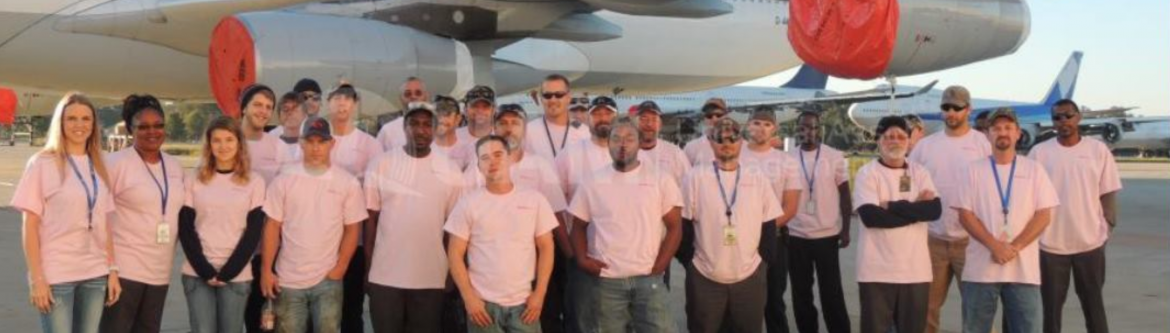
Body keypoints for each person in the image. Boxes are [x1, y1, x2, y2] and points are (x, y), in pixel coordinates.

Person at [12, 93, 121, 333]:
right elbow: (29, 225)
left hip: (95, 273)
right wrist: (37, 279)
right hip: (57, 275)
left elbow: (105, 223)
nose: (79, 125)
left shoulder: (100, 165)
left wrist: (112, 270)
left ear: (94, 124)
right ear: (60, 123)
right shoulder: (42, 163)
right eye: (71, 118)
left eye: (85, 119)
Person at [568, 117, 683, 333]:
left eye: (629, 138)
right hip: (607, 282)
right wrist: (583, 259)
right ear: (608, 143)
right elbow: (578, 226)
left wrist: (660, 264)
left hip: (649, 279)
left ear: (639, 143)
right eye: (616, 138)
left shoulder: (661, 180)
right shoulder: (593, 181)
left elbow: (675, 227)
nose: (622, 144)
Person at [465, 103, 573, 332]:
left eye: (515, 123)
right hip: (488, 266)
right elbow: (462, 215)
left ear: (525, 128)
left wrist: (570, 256)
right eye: (503, 122)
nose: (508, 128)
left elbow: (555, 212)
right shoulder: (478, 167)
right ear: (494, 127)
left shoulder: (540, 165)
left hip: (532, 263)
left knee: (545, 316)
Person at [954, 108, 1059, 333]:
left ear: (1018, 133)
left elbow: (1043, 215)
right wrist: (994, 246)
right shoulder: (972, 170)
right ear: (987, 134)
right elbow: (965, 214)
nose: (1003, 132)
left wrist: (1015, 247)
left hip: (1023, 271)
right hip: (981, 271)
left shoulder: (1034, 170)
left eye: (1008, 128)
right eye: (997, 128)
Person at [364, 102, 464, 333]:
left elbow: (454, 229)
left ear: (435, 128)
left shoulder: (450, 170)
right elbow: (370, 221)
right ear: (404, 127)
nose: (420, 130)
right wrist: (369, 268)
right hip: (385, 275)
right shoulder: (381, 164)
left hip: (431, 277)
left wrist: (451, 271)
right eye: (414, 123)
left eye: (427, 124)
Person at [260, 115, 366, 333]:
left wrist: (341, 267)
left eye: (322, 141)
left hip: (327, 279)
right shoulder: (284, 179)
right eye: (310, 141)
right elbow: (272, 226)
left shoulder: (347, 182)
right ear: (301, 142)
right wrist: (266, 270)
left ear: (331, 143)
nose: (316, 148)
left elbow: (353, 228)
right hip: (288, 279)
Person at [446, 135, 559, 333]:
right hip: (483, 306)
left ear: (509, 158)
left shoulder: (534, 199)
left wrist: (539, 294)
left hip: (525, 304)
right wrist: (469, 298)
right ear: (478, 165)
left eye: (498, 154)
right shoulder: (468, 203)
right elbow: (454, 253)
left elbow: (547, 247)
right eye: (485, 157)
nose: (493, 162)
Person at [1028, 99, 1121, 333]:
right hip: (1050, 246)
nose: (1063, 121)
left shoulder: (1097, 150)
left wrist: (1107, 226)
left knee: (1093, 306)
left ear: (1078, 117)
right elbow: (1028, 197)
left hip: (1089, 244)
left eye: (1067, 115)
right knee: (1051, 311)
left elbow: (1108, 191)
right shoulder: (1039, 153)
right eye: (1057, 117)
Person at [680, 118, 779, 333]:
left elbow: (769, 224)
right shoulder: (695, 176)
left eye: (733, 137)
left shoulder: (757, 177)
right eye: (720, 138)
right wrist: (691, 263)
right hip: (705, 277)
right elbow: (683, 225)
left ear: (741, 141)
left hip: (750, 276)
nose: (727, 142)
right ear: (711, 142)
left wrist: (763, 263)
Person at [907, 86, 993, 333]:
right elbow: (907, 180)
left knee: (977, 312)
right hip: (933, 240)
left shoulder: (983, 144)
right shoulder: (926, 146)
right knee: (926, 310)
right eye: (946, 107)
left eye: (957, 107)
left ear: (969, 109)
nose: (951, 112)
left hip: (972, 242)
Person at [101, 94, 188, 333]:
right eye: (144, 127)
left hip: (160, 271)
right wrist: (110, 269)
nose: (153, 132)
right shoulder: (115, 163)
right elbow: (100, 218)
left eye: (158, 125)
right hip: (124, 271)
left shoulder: (174, 166)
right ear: (130, 129)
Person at [853, 116, 942, 333]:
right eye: (889, 136)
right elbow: (872, 218)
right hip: (876, 272)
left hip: (915, 272)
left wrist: (892, 206)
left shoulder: (919, 172)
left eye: (901, 136)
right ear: (879, 140)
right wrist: (916, 208)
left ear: (909, 141)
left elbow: (934, 211)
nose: (896, 141)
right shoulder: (868, 174)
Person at [179, 117, 266, 333]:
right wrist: (205, 271)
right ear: (209, 144)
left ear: (239, 143)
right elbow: (186, 229)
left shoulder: (254, 182)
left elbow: (253, 233)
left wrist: (228, 272)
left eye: (229, 139)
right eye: (216, 140)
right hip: (197, 273)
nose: (223, 146)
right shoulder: (194, 179)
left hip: (237, 275)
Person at [554, 96, 621, 333]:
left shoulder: (628, 154)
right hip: (581, 253)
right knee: (580, 317)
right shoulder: (569, 155)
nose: (602, 118)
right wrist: (570, 250)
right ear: (589, 118)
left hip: (619, 256)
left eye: (607, 113)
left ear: (616, 116)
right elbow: (555, 205)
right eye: (597, 114)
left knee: (617, 318)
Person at [738, 108, 803, 333]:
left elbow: (790, 206)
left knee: (774, 301)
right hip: (739, 240)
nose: (761, 128)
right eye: (756, 123)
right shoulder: (735, 155)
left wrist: (762, 229)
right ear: (748, 126)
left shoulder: (786, 161)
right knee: (740, 302)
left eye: (767, 124)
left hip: (773, 238)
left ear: (774, 128)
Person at [787, 111, 852, 333]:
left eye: (814, 127)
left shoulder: (834, 156)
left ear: (820, 129)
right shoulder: (788, 158)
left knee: (831, 292)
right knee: (801, 292)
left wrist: (846, 229)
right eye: (804, 127)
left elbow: (845, 194)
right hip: (796, 236)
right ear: (797, 129)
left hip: (827, 235)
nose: (809, 132)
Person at [526, 75, 592, 162]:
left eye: (559, 95)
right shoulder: (527, 131)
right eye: (547, 95)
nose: (553, 100)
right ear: (541, 99)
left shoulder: (584, 132)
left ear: (568, 98)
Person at [632, 100, 690, 185]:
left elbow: (688, 185)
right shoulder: (626, 153)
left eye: (654, 119)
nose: (649, 124)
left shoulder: (675, 154)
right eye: (643, 119)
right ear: (635, 123)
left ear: (660, 125)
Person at [237, 85, 282, 183]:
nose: (263, 111)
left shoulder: (279, 146)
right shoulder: (224, 142)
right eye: (258, 105)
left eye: (268, 107)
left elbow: (289, 186)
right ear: (244, 108)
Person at [376, 77, 431, 150]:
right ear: (401, 98)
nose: (413, 97)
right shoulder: (388, 131)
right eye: (408, 94)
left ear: (426, 96)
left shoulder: (438, 129)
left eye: (418, 93)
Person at [432, 95, 475, 169]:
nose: (441, 119)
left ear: (458, 119)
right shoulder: (422, 149)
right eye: (437, 114)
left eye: (447, 114)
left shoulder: (468, 151)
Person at [683, 98, 729, 165]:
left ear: (727, 117)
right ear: (704, 119)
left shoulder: (742, 147)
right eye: (709, 116)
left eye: (718, 115)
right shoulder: (691, 147)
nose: (714, 119)